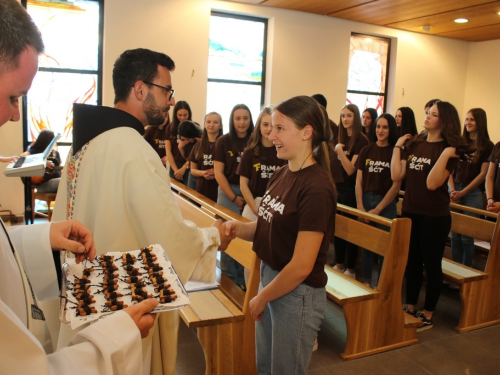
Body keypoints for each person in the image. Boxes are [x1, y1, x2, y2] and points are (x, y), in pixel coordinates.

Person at [0, 1, 158, 373]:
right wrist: (115, 337)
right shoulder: (132, 145)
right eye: (11, 97)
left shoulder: (100, 136)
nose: (15, 115)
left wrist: (41, 237)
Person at [53, 48, 232, 375]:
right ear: (140, 89)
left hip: (87, 290)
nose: (170, 101)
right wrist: (212, 237)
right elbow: (167, 234)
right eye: (166, 90)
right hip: (122, 299)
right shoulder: (133, 149)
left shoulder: (85, 144)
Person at [225, 96, 336, 374]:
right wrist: (237, 228)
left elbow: (301, 265)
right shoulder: (282, 173)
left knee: (285, 370)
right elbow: (266, 227)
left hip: (297, 293)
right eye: (270, 128)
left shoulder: (316, 188)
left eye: (279, 129)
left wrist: (262, 297)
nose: (270, 135)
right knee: (266, 366)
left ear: (306, 132)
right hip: (272, 279)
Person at [391, 101, 474, 331]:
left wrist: (446, 153)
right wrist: (398, 147)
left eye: (433, 114)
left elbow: (432, 183)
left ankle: (427, 313)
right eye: (427, 112)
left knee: (432, 265)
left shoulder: (450, 151)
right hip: (411, 212)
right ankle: (409, 306)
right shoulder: (416, 144)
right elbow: (397, 174)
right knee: (413, 263)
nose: (427, 116)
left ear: (444, 120)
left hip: (434, 216)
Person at [355, 114, 400, 287]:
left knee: (384, 249)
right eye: (378, 127)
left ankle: (381, 284)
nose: (380, 131)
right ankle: (366, 282)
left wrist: (379, 209)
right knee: (366, 246)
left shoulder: (394, 153)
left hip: (385, 204)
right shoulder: (367, 150)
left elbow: (395, 185)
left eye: (385, 127)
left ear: (391, 130)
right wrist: (360, 205)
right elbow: (359, 181)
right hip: (366, 200)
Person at [214, 103, 254, 288]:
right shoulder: (223, 141)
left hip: (250, 193)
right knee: (227, 235)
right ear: (232, 120)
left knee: (245, 239)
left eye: (245, 118)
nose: (242, 122)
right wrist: (233, 198)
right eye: (238, 118)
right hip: (227, 191)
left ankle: (243, 282)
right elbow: (218, 173)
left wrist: (246, 198)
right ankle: (229, 281)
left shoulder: (255, 140)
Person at [448, 108, 493, 267]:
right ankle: (453, 270)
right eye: (466, 119)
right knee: (454, 234)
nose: (467, 123)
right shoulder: (460, 143)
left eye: (472, 120)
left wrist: (463, 192)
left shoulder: (488, 146)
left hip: (472, 192)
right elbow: (449, 170)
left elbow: (483, 174)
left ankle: (464, 272)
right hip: (455, 189)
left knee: (467, 236)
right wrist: (453, 190)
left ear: (480, 122)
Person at [333, 104, 369, 278]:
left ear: (356, 117)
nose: (345, 119)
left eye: (349, 115)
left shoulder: (361, 140)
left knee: (350, 230)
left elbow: (350, 170)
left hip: (351, 190)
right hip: (337, 188)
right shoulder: (341, 137)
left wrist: (339, 150)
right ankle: (339, 264)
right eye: (342, 116)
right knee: (338, 228)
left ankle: (351, 268)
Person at [238, 106, 285, 220]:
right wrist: (255, 209)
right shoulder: (250, 152)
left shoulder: (284, 151)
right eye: (265, 124)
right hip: (253, 204)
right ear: (259, 126)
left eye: (273, 125)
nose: (269, 129)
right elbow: (243, 185)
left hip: (277, 205)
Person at [188, 112, 223, 202]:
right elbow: (193, 170)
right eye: (208, 122)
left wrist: (217, 173)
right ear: (204, 124)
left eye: (215, 122)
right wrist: (204, 173)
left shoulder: (225, 144)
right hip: (201, 189)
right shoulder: (198, 145)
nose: (211, 125)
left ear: (220, 125)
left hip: (220, 190)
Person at [22, 128, 61, 193]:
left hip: (56, 181)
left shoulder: (55, 153)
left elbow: (59, 170)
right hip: (42, 185)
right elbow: (23, 157)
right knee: (64, 182)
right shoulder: (34, 151)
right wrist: (44, 162)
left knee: (67, 181)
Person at [165, 100, 192, 184]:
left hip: (189, 165)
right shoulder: (170, 127)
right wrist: (176, 170)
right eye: (180, 115)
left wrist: (184, 168)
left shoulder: (194, 127)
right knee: (173, 194)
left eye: (185, 115)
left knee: (187, 195)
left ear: (189, 114)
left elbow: (195, 152)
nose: (183, 118)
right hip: (175, 165)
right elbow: (168, 151)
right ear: (175, 114)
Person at [177, 120, 202, 190]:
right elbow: (188, 158)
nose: (186, 141)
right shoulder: (184, 140)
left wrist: (200, 144)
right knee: (189, 193)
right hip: (192, 171)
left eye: (188, 139)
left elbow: (193, 159)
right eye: (183, 139)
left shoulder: (200, 138)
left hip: (200, 170)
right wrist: (180, 148)